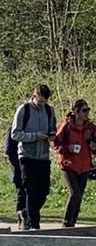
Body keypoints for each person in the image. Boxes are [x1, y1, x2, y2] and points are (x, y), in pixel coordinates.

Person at [11, 84, 57, 230]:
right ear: (34, 96)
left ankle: (25, 213)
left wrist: (51, 135)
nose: (42, 104)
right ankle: (34, 224)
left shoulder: (50, 111)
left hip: (43, 156)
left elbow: (52, 128)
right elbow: (15, 134)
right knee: (31, 190)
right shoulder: (23, 110)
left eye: (45, 102)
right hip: (26, 155)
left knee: (44, 191)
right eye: (40, 101)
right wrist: (35, 136)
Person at [53, 99, 96, 227]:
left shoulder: (91, 128)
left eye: (88, 110)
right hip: (68, 165)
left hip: (84, 166)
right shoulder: (66, 126)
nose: (87, 113)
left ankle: (73, 222)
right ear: (76, 112)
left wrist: (94, 148)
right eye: (84, 111)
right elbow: (56, 145)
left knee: (79, 196)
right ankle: (66, 222)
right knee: (74, 193)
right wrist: (68, 148)